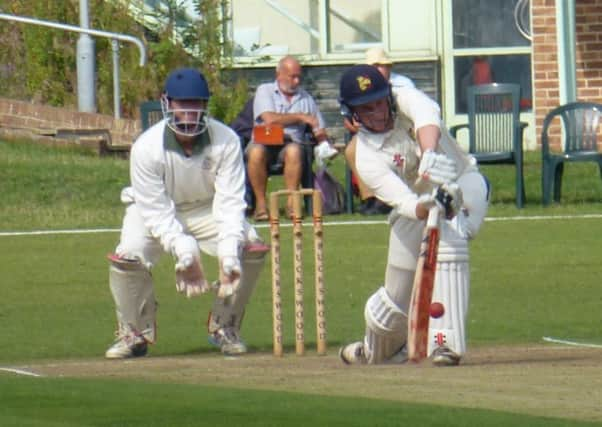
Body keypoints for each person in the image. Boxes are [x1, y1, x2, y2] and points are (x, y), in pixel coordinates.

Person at [104, 68, 268, 359]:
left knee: (250, 246)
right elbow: (155, 210)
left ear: (206, 105)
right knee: (128, 254)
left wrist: (229, 253)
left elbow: (230, 201)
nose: (190, 112)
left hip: (208, 209)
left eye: (197, 104)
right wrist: (185, 248)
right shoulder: (146, 148)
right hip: (152, 210)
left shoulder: (226, 139)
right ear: (167, 103)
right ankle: (134, 333)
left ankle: (225, 325)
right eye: (183, 104)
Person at [337, 64, 489, 366]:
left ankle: (444, 343)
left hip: (463, 181)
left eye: (379, 102)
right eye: (366, 109)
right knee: (395, 301)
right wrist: (429, 203)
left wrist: (429, 154)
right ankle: (370, 348)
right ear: (351, 114)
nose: (378, 113)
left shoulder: (405, 97)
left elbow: (427, 115)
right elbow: (406, 203)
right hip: (417, 206)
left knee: (451, 231)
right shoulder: (365, 156)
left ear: (388, 97)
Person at [246, 55, 335, 221]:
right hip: (264, 141)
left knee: (294, 150)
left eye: (298, 77)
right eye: (292, 76)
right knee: (256, 152)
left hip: (291, 144)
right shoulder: (264, 90)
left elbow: (318, 126)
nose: (296, 81)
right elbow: (269, 119)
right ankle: (261, 205)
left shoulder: (306, 98)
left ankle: (291, 204)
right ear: (279, 74)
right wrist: (301, 117)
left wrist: (325, 145)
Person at [344, 47, 416, 215]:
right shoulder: (360, 87)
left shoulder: (403, 84)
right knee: (351, 150)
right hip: (371, 135)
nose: (376, 70)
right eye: (372, 66)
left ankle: (397, 196)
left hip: (402, 131)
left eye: (380, 66)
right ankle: (371, 198)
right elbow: (349, 119)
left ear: (388, 67)